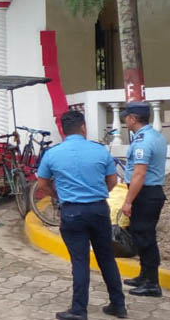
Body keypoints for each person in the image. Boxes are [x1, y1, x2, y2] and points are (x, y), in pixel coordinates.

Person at [36, 110, 127, 320]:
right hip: (98, 210)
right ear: (83, 128)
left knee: (80, 261)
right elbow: (112, 181)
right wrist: (96, 193)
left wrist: (58, 194)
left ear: (62, 130)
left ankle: (79, 310)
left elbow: (42, 183)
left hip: (72, 212)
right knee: (106, 258)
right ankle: (118, 305)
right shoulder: (100, 151)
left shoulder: (52, 154)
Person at [120, 101, 167, 298]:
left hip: (145, 194)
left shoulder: (143, 141)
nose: (125, 120)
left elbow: (139, 174)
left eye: (126, 117)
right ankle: (144, 275)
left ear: (133, 118)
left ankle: (152, 284)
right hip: (149, 192)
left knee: (146, 238)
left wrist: (128, 201)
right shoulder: (153, 135)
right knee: (141, 236)